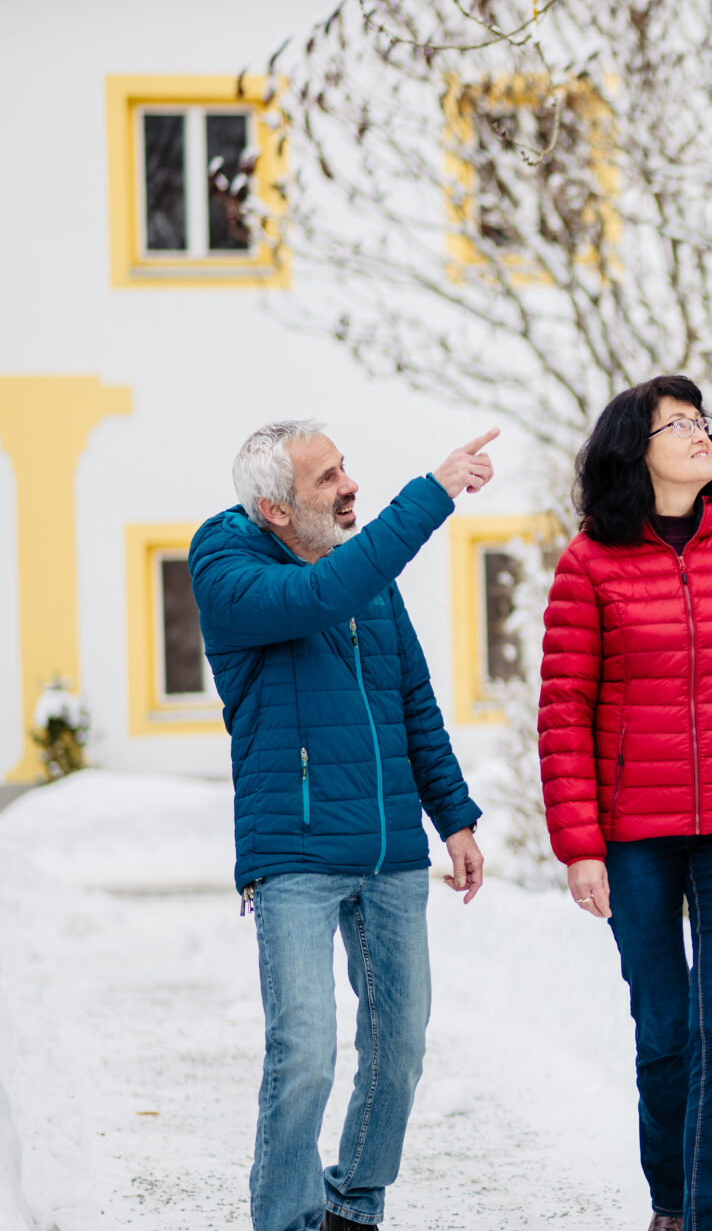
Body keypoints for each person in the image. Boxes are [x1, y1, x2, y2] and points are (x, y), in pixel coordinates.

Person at [189, 419, 499, 1231]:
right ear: (276, 510)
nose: (348, 484)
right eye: (326, 479)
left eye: (343, 468)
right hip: (292, 850)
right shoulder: (227, 567)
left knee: (400, 1049)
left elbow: (414, 702)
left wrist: (455, 818)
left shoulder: (365, 578)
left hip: (391, 846)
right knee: (305, 1057)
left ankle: (354, 1203)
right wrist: (433, 494)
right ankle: (287, 1219)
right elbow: (319, 597)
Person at [539, 375, 712, 1231]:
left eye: (702, 421)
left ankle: (709, 1219)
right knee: (664, 1031)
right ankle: (670, 1201)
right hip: (636, 836)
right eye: (677, 424)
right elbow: (563, 712)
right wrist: (580, 845)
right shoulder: (589, 562)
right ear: (636, 451)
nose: (700, 433)